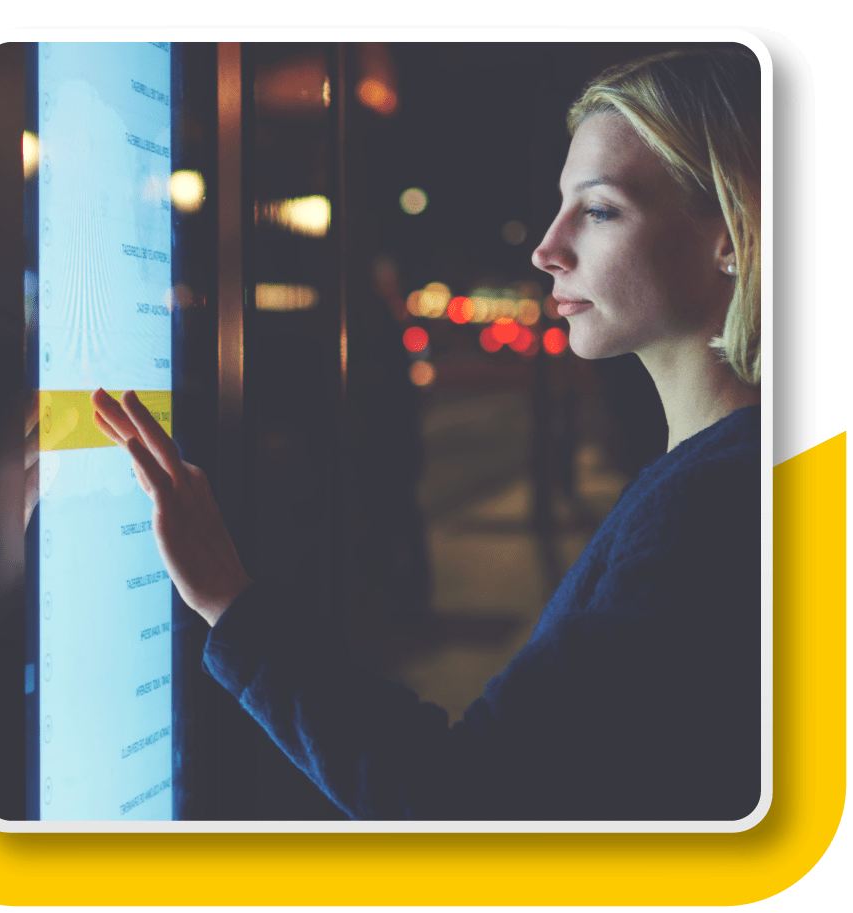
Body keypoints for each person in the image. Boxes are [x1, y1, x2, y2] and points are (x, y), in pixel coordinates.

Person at [91, 47, 762, 820]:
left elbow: (466, 798)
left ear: (734, 237)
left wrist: (226, 599)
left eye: (600, 209)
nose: (547, 248)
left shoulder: (714, 504)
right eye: (560, 204)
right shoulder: (727, 472)